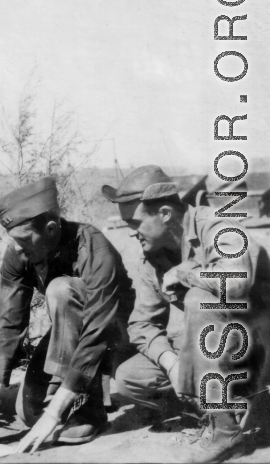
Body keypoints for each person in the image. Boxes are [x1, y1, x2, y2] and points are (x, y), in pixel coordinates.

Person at [103, 165, 270, 462]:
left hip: (260, 340)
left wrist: (186, 273)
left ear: (165, 213)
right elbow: (141, 325)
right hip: (222, 345)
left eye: (135, 223)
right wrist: (171, 364)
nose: (132, 233)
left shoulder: (216, 226)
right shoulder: (151, 258)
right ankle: (218, 404)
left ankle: (225, 430)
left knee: (198, 299)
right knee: (131, 376)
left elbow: (236, 281)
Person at [0, 178, 134, 453]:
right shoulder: (20, 252)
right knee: (28, 412)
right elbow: (10, 321)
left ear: (50, 228)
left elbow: (99, 327)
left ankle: (87, 410)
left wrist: (56, 410)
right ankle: (67, 396)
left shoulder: (93, 246)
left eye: (23, 239)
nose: (17, 248)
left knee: (61, 289)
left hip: (113, 335)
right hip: (71, 335)